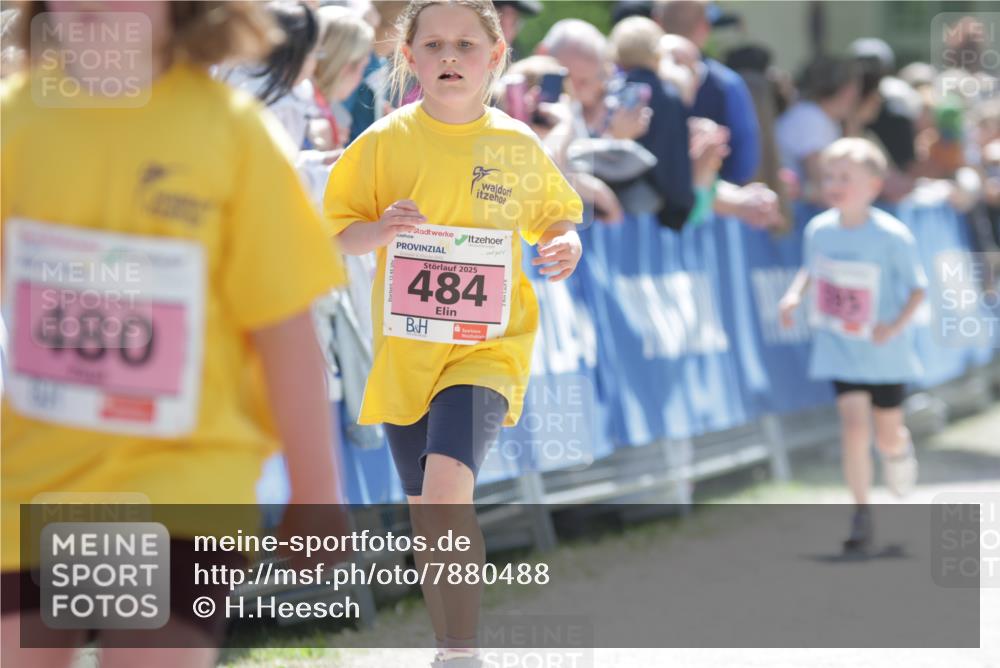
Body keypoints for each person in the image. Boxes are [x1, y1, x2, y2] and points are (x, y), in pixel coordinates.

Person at [1, 2, 349, 666]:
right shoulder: (13, 123)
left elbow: (283, 330)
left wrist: (316, 493)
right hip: (29, 480)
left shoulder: (231, 131)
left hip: (186, 482)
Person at [323, 1, 583, 665]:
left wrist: (564, 244)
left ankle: (463, 651)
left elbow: (556, 220)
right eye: (432, 45)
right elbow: (339, 231)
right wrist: (379, 231)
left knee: (445, 491)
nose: (448, 57)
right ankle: (450, 644)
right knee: (425, 509)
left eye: (465, 45)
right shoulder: (382, 142)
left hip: (485, 350)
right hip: (408, 356)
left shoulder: (516, 145)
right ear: (407, 58)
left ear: (495, 57)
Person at [779, 138, 925, 553]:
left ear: (873, 185)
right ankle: (861, 511)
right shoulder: (819, 229)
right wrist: (794, 296)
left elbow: (918, 290)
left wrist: (892, 327)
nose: (834, 183)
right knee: (854, 427)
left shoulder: (892, 235)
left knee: (886, 435)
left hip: (884, 352)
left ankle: (899, 455)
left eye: (846, 177)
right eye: (829, 176)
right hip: (839, 345)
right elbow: (812, 271)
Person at [652, 0, 761, 185]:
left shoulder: (635, 78)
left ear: (656, 22)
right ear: (705, 26)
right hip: (715, 204)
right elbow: (744, 165)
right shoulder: (728, 85)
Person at [776, 57, 860, 204]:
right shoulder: (811, 118)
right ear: (847, 90)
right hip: (794, 211)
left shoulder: (817, 116)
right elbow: (821, 184)